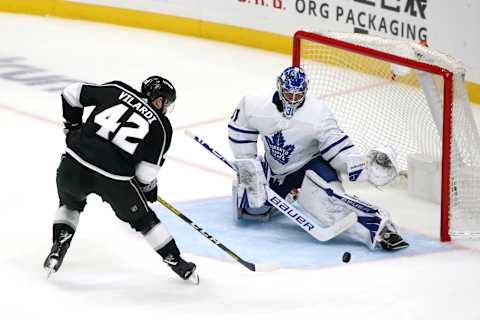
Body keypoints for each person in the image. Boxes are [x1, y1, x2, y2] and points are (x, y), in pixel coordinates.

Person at [227, 66, 409, 251]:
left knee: (328, 205)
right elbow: (239, 127)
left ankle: (378, 227)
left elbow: (337, 147)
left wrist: (361, 167)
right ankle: (290, 194)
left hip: (311, 165)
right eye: (288, 94)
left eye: (298, 96)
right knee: (252, 209)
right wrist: (249, 166)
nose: (293, 100)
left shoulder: (318, 115)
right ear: (279, 87)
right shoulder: (254, 105)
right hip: (276, 169)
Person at [44, 76, 199, 284]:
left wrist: (73, 127)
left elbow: (71, 93)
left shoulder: (116, 89)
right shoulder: (161, 127)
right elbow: (146, 174)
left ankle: (58, 247)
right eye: (166, 104)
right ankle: (177, 262)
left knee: (70, 203)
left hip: (74, 164)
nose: (166, 109)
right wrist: (147, 189)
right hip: (114, 180)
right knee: (145, 221)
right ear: (159, 100)